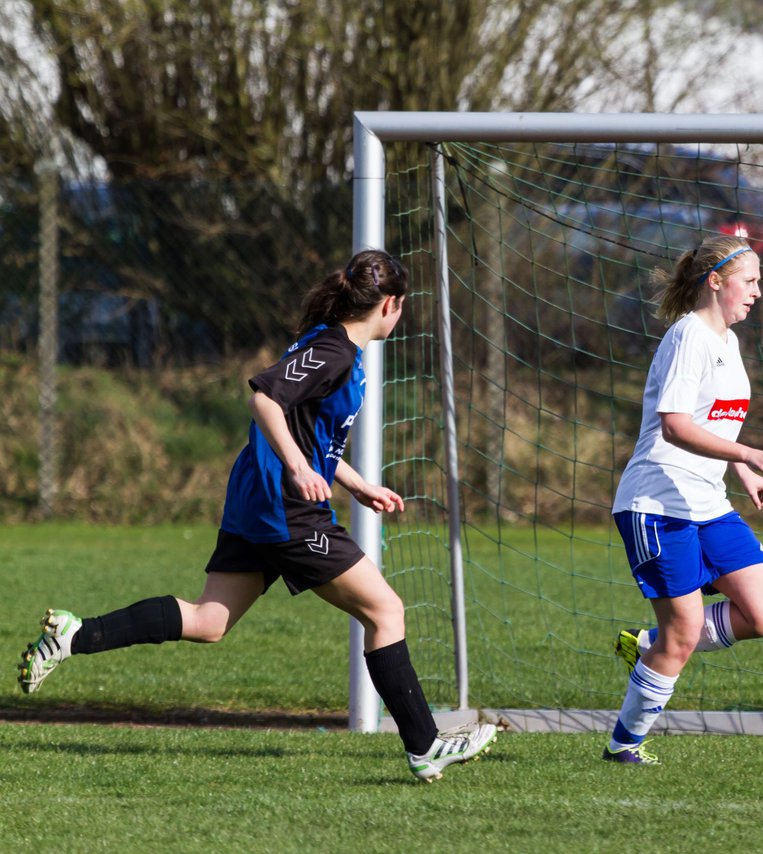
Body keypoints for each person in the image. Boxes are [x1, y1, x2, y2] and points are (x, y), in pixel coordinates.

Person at [17, 249, 496, 783]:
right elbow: (265, 399)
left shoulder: (335, 349)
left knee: (208, 621)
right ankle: (425, 746)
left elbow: (313, 437)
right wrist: (297, 468)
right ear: (392, 305)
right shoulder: (334, 350)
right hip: (284, 508)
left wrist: (357, 485)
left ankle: (75, 635)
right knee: (385, 612)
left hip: (259, 501)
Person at [603, 234, 763, 765]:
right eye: (750, 281)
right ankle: (624, 745)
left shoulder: (727, 341)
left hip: (707, 503)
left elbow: (710, 420)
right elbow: (676, 426)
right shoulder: (689, 336)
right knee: (682, 633)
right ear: (716, 281)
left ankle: (647, 646)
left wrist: (738, 468)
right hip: (656, 506)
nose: (757, 292)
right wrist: (749, 452)